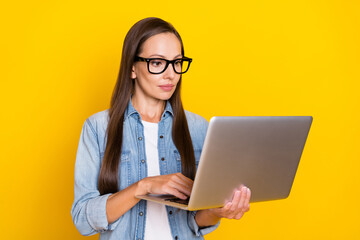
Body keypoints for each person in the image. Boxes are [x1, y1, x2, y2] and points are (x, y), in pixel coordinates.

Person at [71, 17, 251, 240]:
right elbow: (82, 218)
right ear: (132, 69)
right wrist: (143, 186)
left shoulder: (198, 128)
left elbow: (196, 220)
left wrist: (216, 211)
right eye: (157, 63)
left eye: (177, 62)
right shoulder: (98, 128)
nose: (171, 74)